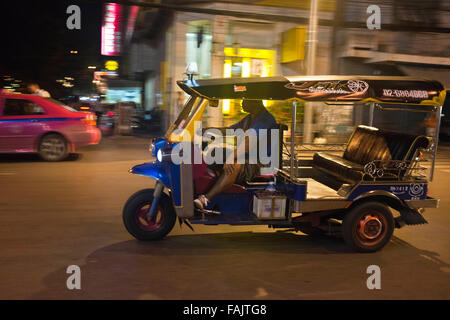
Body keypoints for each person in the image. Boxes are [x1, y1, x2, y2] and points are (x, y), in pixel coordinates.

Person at [194, 99, 277, 210]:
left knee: (235, 164)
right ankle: (207, 185)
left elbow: (249, 141)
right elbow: (230, 130)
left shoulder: (265, 119)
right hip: (248, 157)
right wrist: (206, 130)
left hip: (261, 163)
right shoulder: (249, 118)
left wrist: (231, 157)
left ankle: (206, 199)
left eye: (244, 100)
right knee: (216, 152)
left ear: (255, 101)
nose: (241, 103)